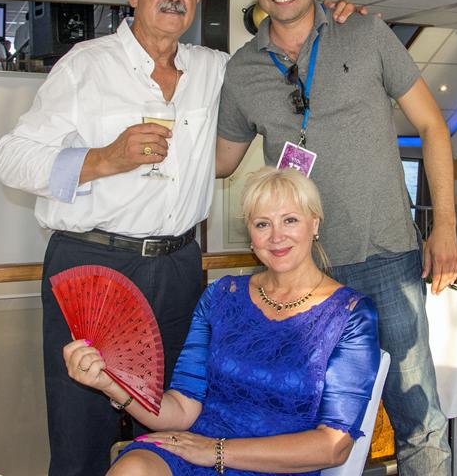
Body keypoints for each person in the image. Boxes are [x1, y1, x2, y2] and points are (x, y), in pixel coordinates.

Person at [0, 0, 360, 476]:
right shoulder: (87, 65)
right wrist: (104, 158)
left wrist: (337, 24)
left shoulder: (213, 69)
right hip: (95, 264)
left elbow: (280, 58)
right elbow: (11, 159)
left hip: (178, 267)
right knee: (82, 427)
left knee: (172, 420)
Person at [215, 0, 457, 475]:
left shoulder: (366, 33)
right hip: (301, 269)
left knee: (417, 420)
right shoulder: (242, 70)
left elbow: (433, 126)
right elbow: (221, 161)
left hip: (386, 259)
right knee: (304, 421)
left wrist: (444, 226)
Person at [64, 167, 380, 475]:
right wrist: (111, 384)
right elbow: (182, 408)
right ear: (251, 234)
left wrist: (216, 451)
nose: (276, 236)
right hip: (197, 448)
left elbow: (333, 446)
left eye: (290, 220)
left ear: (315, 224)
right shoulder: (221, 296)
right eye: (262, 224)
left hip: (277, 465)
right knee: (132, 469)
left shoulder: (351, 314)